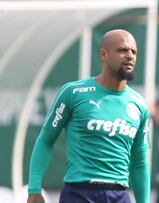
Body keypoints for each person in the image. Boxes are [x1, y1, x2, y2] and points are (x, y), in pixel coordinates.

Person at [27, 29, 150, 203]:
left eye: (134, 51)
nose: (130, 55)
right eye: (122, 50)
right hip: (78, 194)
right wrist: (34, 188)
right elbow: (46, 139)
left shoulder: (140, 105)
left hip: (119, 195)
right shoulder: (74, 92)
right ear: (103, 54)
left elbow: (139, 163)